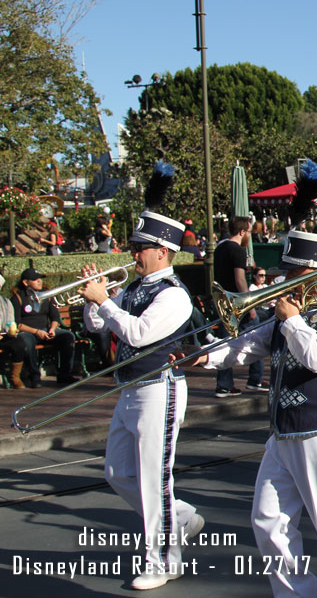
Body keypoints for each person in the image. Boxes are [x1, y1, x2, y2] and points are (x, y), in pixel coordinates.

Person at [188, 227, 317, 597]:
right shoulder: (289, 317)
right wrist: (205, 356)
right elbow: (247, 346)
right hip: (284, 433)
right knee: (268, 521)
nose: (282, 281)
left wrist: (290, 321)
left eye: (293, 273)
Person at [80, 183, 205, 590]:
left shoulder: (174, 295)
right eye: (134, 247)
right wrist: (92, 299)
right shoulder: (134, 287)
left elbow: (138, 333)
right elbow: (98, 325)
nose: (134, 255)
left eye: (141, 248)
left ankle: (163, 560)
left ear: (163, 252)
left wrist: (107, 302)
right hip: (130, 388)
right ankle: (181, 517)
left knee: (154, 479)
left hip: (159, 388)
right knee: (117, 472)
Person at [12, 268, 77, 385]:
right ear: (25, 283)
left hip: (46, 330)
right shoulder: (18, 298)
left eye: (40, 279)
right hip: (28, 332)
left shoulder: (46, 296)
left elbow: (55, 318)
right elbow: (17, 324)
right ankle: (34, 376)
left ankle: (65, 374)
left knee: (68, 336)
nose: (39, 281)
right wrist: (36, 332)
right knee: (26, 341)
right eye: (35, 279)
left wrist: (52, 329)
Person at [212, 216, 253, 397]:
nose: (250, 236)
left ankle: (224, 384)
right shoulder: (238, 250)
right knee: (255, 333)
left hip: (222, 302)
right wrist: (250, 305)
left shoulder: (220, 247)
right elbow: (240, 279)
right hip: (236, 303)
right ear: (242, 231)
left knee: (223, 343)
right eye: (249, 232)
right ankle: (256, 379)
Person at [0, 273, 28, 388]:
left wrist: (12, 330)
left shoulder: (6, 302)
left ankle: (14, 376)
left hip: (3, 335)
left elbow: (10, 322)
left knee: (19, 343)